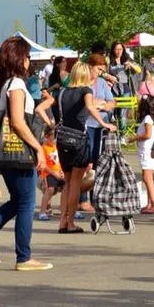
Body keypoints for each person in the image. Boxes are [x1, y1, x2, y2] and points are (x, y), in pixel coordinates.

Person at [0, 36, 52, 272]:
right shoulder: (16, 84)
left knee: (18, 201)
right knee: (27, 203)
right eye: (27, 57)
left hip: (4, 152)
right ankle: (24, 256)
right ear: (19, 59)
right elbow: (17, 121)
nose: (29, 61)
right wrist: (38, 147)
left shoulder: (0, 86)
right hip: (18, 152)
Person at [44, 62, 117, 233]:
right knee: (75, 182)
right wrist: (104, 123)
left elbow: (41, 108)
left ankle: (62, 221)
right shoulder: (86, 91)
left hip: (62, 140)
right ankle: (70, 222)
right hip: (78, 139)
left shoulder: (61, 92)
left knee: (67, 182)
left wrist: (51, 125)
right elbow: (90, 107)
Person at [86, 53, 116, 169]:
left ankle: (96, 182)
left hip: (102, 124)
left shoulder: (102, 82)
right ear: (90, 66)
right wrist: (96, 102)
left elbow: (111, 102)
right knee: (89, 155)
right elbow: (86, 103)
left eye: (102, 70)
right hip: (88, 123)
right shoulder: (82, 82)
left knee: (100, 157)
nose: (100, 73)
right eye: (98, 69)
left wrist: (102, 106)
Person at [135, 96, 154, 215]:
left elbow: (147, 135)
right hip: (146, 150)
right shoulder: (150, 118)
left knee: (147, 177)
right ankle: (150, 203)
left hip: (147, 150)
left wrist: (134, 138)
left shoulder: (147, 119)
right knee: (148, 177)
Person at [37, 127, 63, 221]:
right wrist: (54, 174)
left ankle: (66, 209)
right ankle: (42, 212)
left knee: (68, 187)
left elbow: (61, 162)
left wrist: (62, 172)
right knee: (50, 189)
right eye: (52, 136)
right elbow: (43, 166)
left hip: (59, 172)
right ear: (46, 137)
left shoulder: (57, 147)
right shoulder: (43, 148)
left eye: (55, 137)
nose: (54, 139)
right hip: (48, 173)